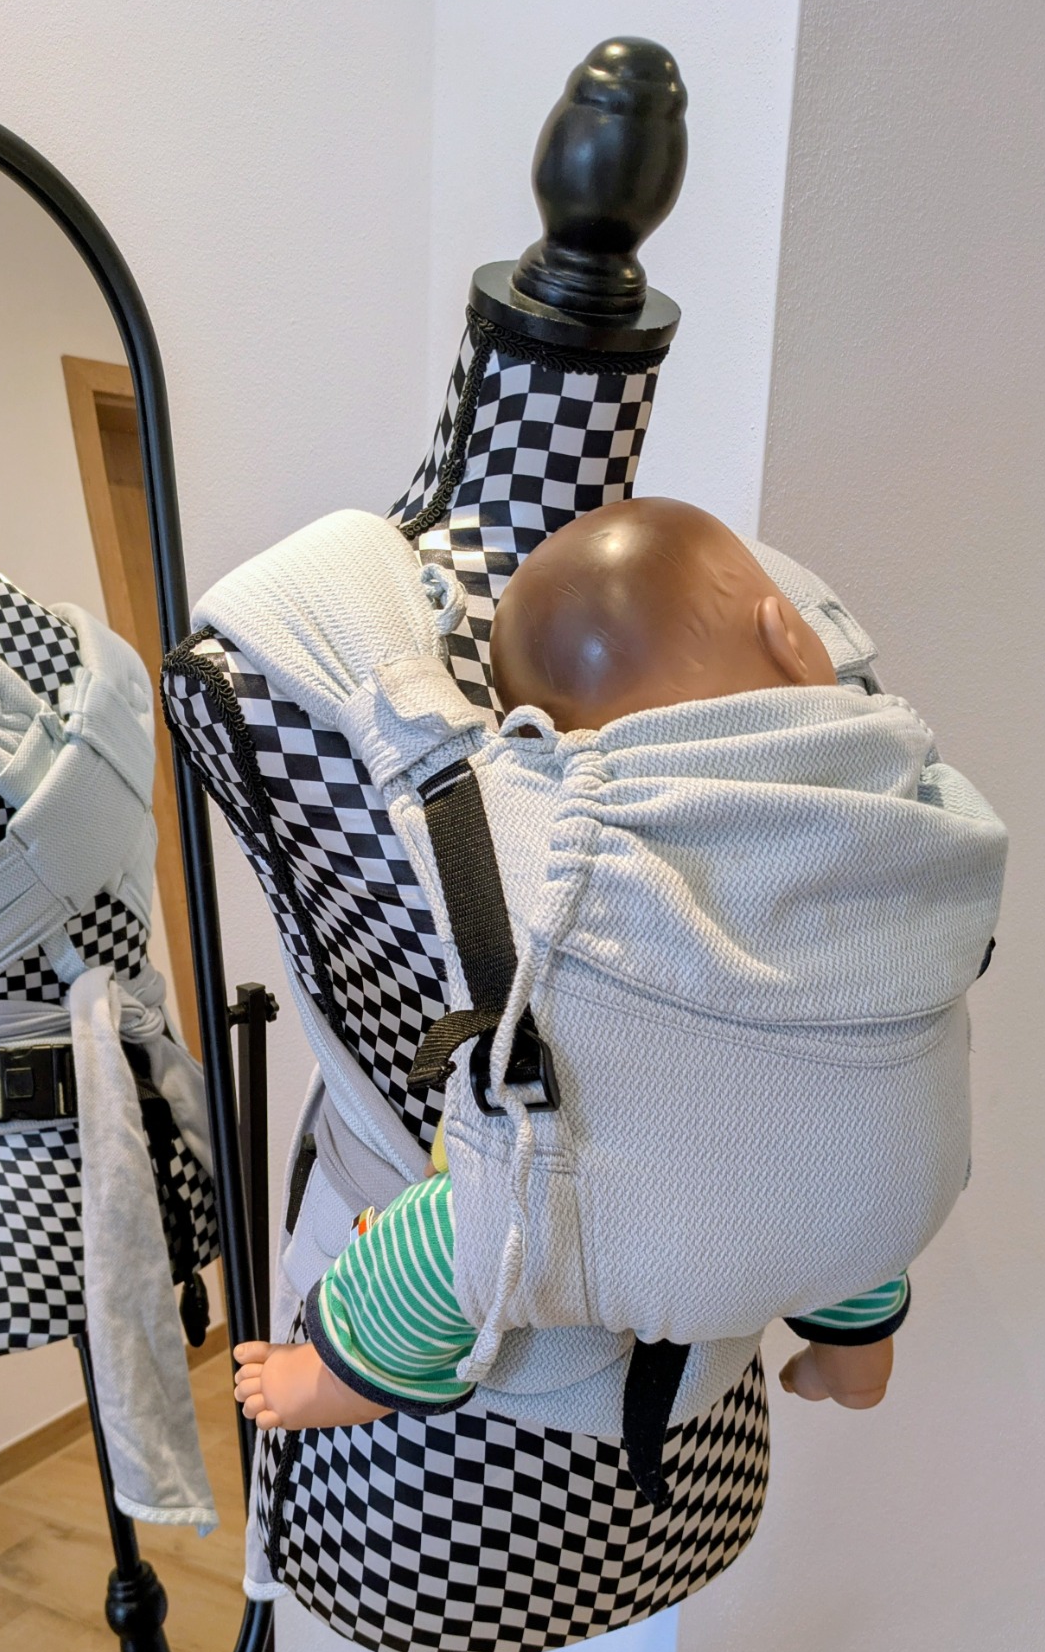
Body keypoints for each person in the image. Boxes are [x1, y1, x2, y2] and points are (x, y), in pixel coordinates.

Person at [233, 498, 917, 1433]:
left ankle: (338, 1371)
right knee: (853, 1159)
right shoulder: (894, 781)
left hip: (639, 1220)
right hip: (872, 1175)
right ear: (788, 637)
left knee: (446, 1239)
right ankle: (856, 1353)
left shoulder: (567, 834)